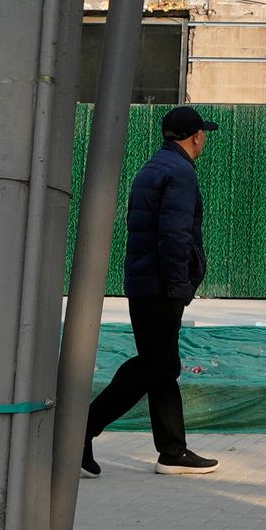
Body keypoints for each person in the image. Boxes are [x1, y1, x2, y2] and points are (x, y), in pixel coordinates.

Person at [85, 103, 221, 474]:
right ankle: (81, 429)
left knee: (161, 365)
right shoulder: (180, 173)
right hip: (160, 286)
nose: (204, 138)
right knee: (153, 365)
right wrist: (180, 286)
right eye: (203, 133)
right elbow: (174, 237)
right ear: (196, 136)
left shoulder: (154, 167)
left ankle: (172, 451)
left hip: (145, 282)